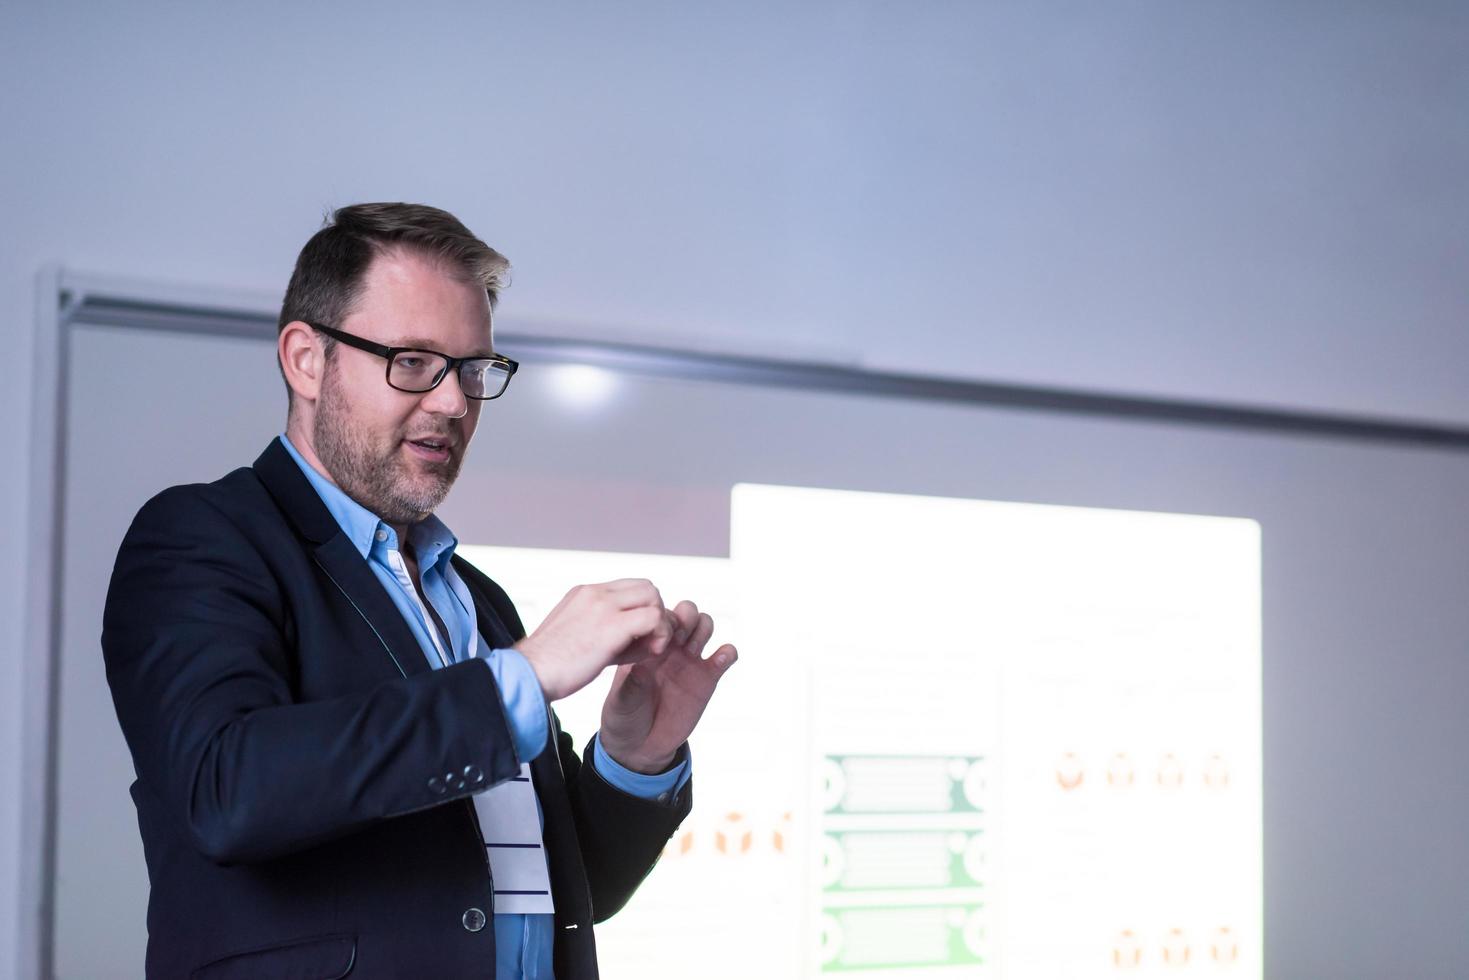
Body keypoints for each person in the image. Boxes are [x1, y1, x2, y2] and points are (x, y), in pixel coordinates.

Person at [101, 202, 737, 979]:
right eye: (411, 361)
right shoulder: (202, 537)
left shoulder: (477, 598)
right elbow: (228, 791)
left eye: (473, 369)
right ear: (306, 359)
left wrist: (635, 757)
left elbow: (571, 890)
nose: (453, 403)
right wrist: (524, 680)